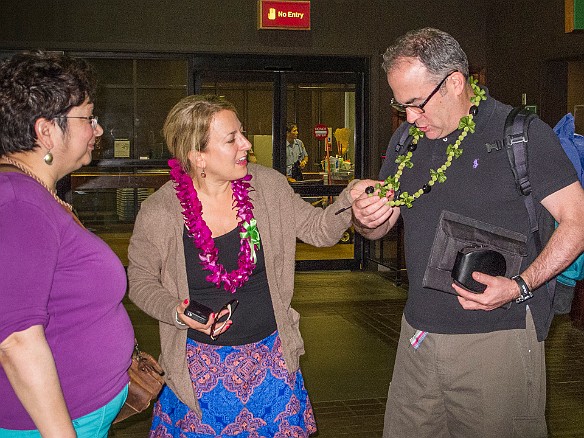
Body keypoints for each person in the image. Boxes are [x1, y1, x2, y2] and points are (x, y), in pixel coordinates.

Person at [352, 28, 584, 438]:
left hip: (497, 338)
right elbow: (384, 225)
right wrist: (368, 219)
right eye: (400, 104)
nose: (409, 117)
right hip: (417, 337)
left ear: (455, 82)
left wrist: (519, 287)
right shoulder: (407, 141)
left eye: (416, 103)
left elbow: (577, 222)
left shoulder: (523, 134)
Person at [127, 95, 369, 437]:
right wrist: (174, 310)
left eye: (242, 133)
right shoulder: (160, 211)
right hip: (198, 369)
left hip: (272, 359)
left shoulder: (267, 187)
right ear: (198, 157)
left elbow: (319, 230)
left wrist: (349, 200)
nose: (246, 145)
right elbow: (139, 279)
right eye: (231, 139)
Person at [0, 51, 135, 437]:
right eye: (88, 118)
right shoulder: (18, 202)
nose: (98, 130)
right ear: (46, 131)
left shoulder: (36, 195)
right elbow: (15, 340)